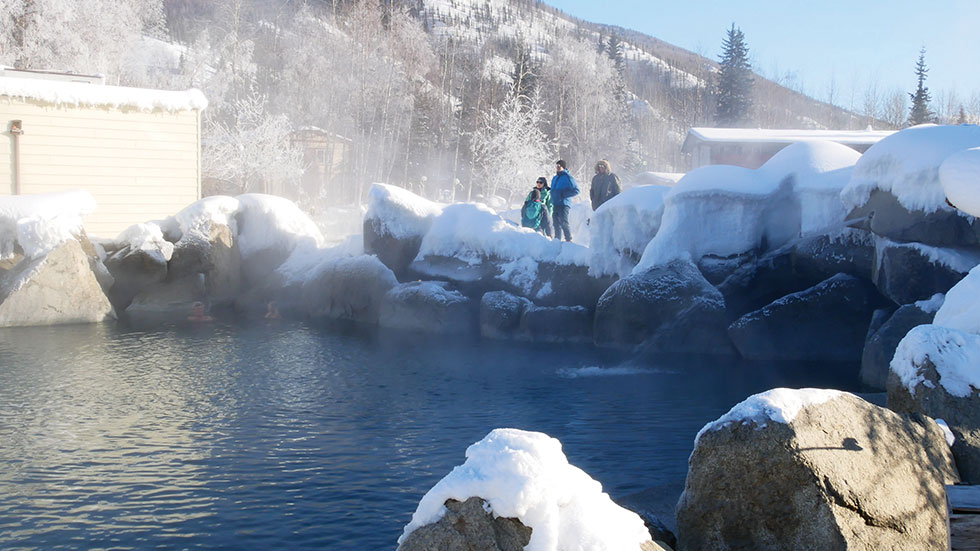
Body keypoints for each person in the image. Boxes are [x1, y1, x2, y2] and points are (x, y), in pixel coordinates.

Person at [550, 159, 579, 242]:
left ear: (563, 167)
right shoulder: (555, 178)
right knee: (556, 223)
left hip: (564, 203)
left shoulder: (568, 177)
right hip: (555, 203)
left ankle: (568, 239)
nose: (558, 168)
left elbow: (576, 190)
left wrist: (563, 195)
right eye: (557, 166)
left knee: (563, 222)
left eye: (559, 166)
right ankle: (557, 240)